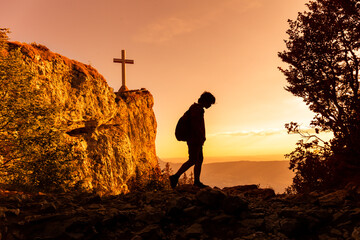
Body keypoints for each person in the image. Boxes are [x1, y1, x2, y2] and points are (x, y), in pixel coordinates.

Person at [169, 91, 216, 189]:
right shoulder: (196, 109)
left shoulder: (197, 108)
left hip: (195, 139)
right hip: (194, 139)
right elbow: (196, 125)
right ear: (205, 101)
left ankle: (197, 181)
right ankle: (175, 177)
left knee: (199, 160)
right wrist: (200, 136)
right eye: (210, 103)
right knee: (193, 160)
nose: (210, 106)